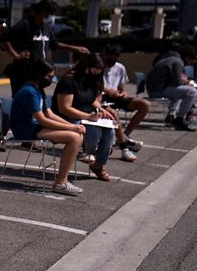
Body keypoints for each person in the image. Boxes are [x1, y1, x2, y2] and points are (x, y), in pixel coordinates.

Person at [0, 0, 90, 149]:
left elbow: (54, 44)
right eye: (48, 12)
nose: (49, 16)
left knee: (37, 107)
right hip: (23, 73)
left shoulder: (45, 27)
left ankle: (28, 140)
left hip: (39, 74)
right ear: (41, 10)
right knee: (19, 107)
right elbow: (3, 37)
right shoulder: (25, 24)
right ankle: (3, 138)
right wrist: (16, 55)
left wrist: (74, 48)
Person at [52, 54, 136, 182]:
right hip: (67, 117)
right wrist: (89, 116)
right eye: (94, 71)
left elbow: (91, 100)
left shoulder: (91, 80)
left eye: (98, 73)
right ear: (86, 67)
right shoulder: (68, 81)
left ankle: (98, 165)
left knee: (110, 132)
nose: (95, 75)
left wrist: (101, 109)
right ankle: (89, 151)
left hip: (87, 116)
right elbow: (65, 108)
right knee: (94, 131)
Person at [8, 58, 86, 196]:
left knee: (77, 135)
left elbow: (49, 113)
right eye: (49, 76)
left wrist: (72, 125)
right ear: (39, 75)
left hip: (34, 127)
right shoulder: (29, 92)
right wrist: (71, 129)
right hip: (25, 131)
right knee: (74, 138)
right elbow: (43, 120)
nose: (51, 79)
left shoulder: (38, 90)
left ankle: (63, 180)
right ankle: (60, 183)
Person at [100, 44, 150, 140]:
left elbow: (121, 86)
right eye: (110, 56)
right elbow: (92, 85)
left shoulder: (120, 68)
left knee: (144, 104)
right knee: (111, 112)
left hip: (116, 97)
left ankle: (126, 134)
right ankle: (121, 139)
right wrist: (107, 90)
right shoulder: (98, 66)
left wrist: (123, 93)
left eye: (116, 57)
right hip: (102, 97)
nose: (113, 60)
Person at [146, 43, 197, 131]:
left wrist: (184, 81)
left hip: (155, 88)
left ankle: (171, 115)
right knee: (192, 91)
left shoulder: (171, 58)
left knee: (180, 92)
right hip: (157, 90)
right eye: (191, 60)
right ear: (188, 57)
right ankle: (179, 119)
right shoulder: (177, 62)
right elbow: (177, 82)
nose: (191, 62)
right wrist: (187, 82)